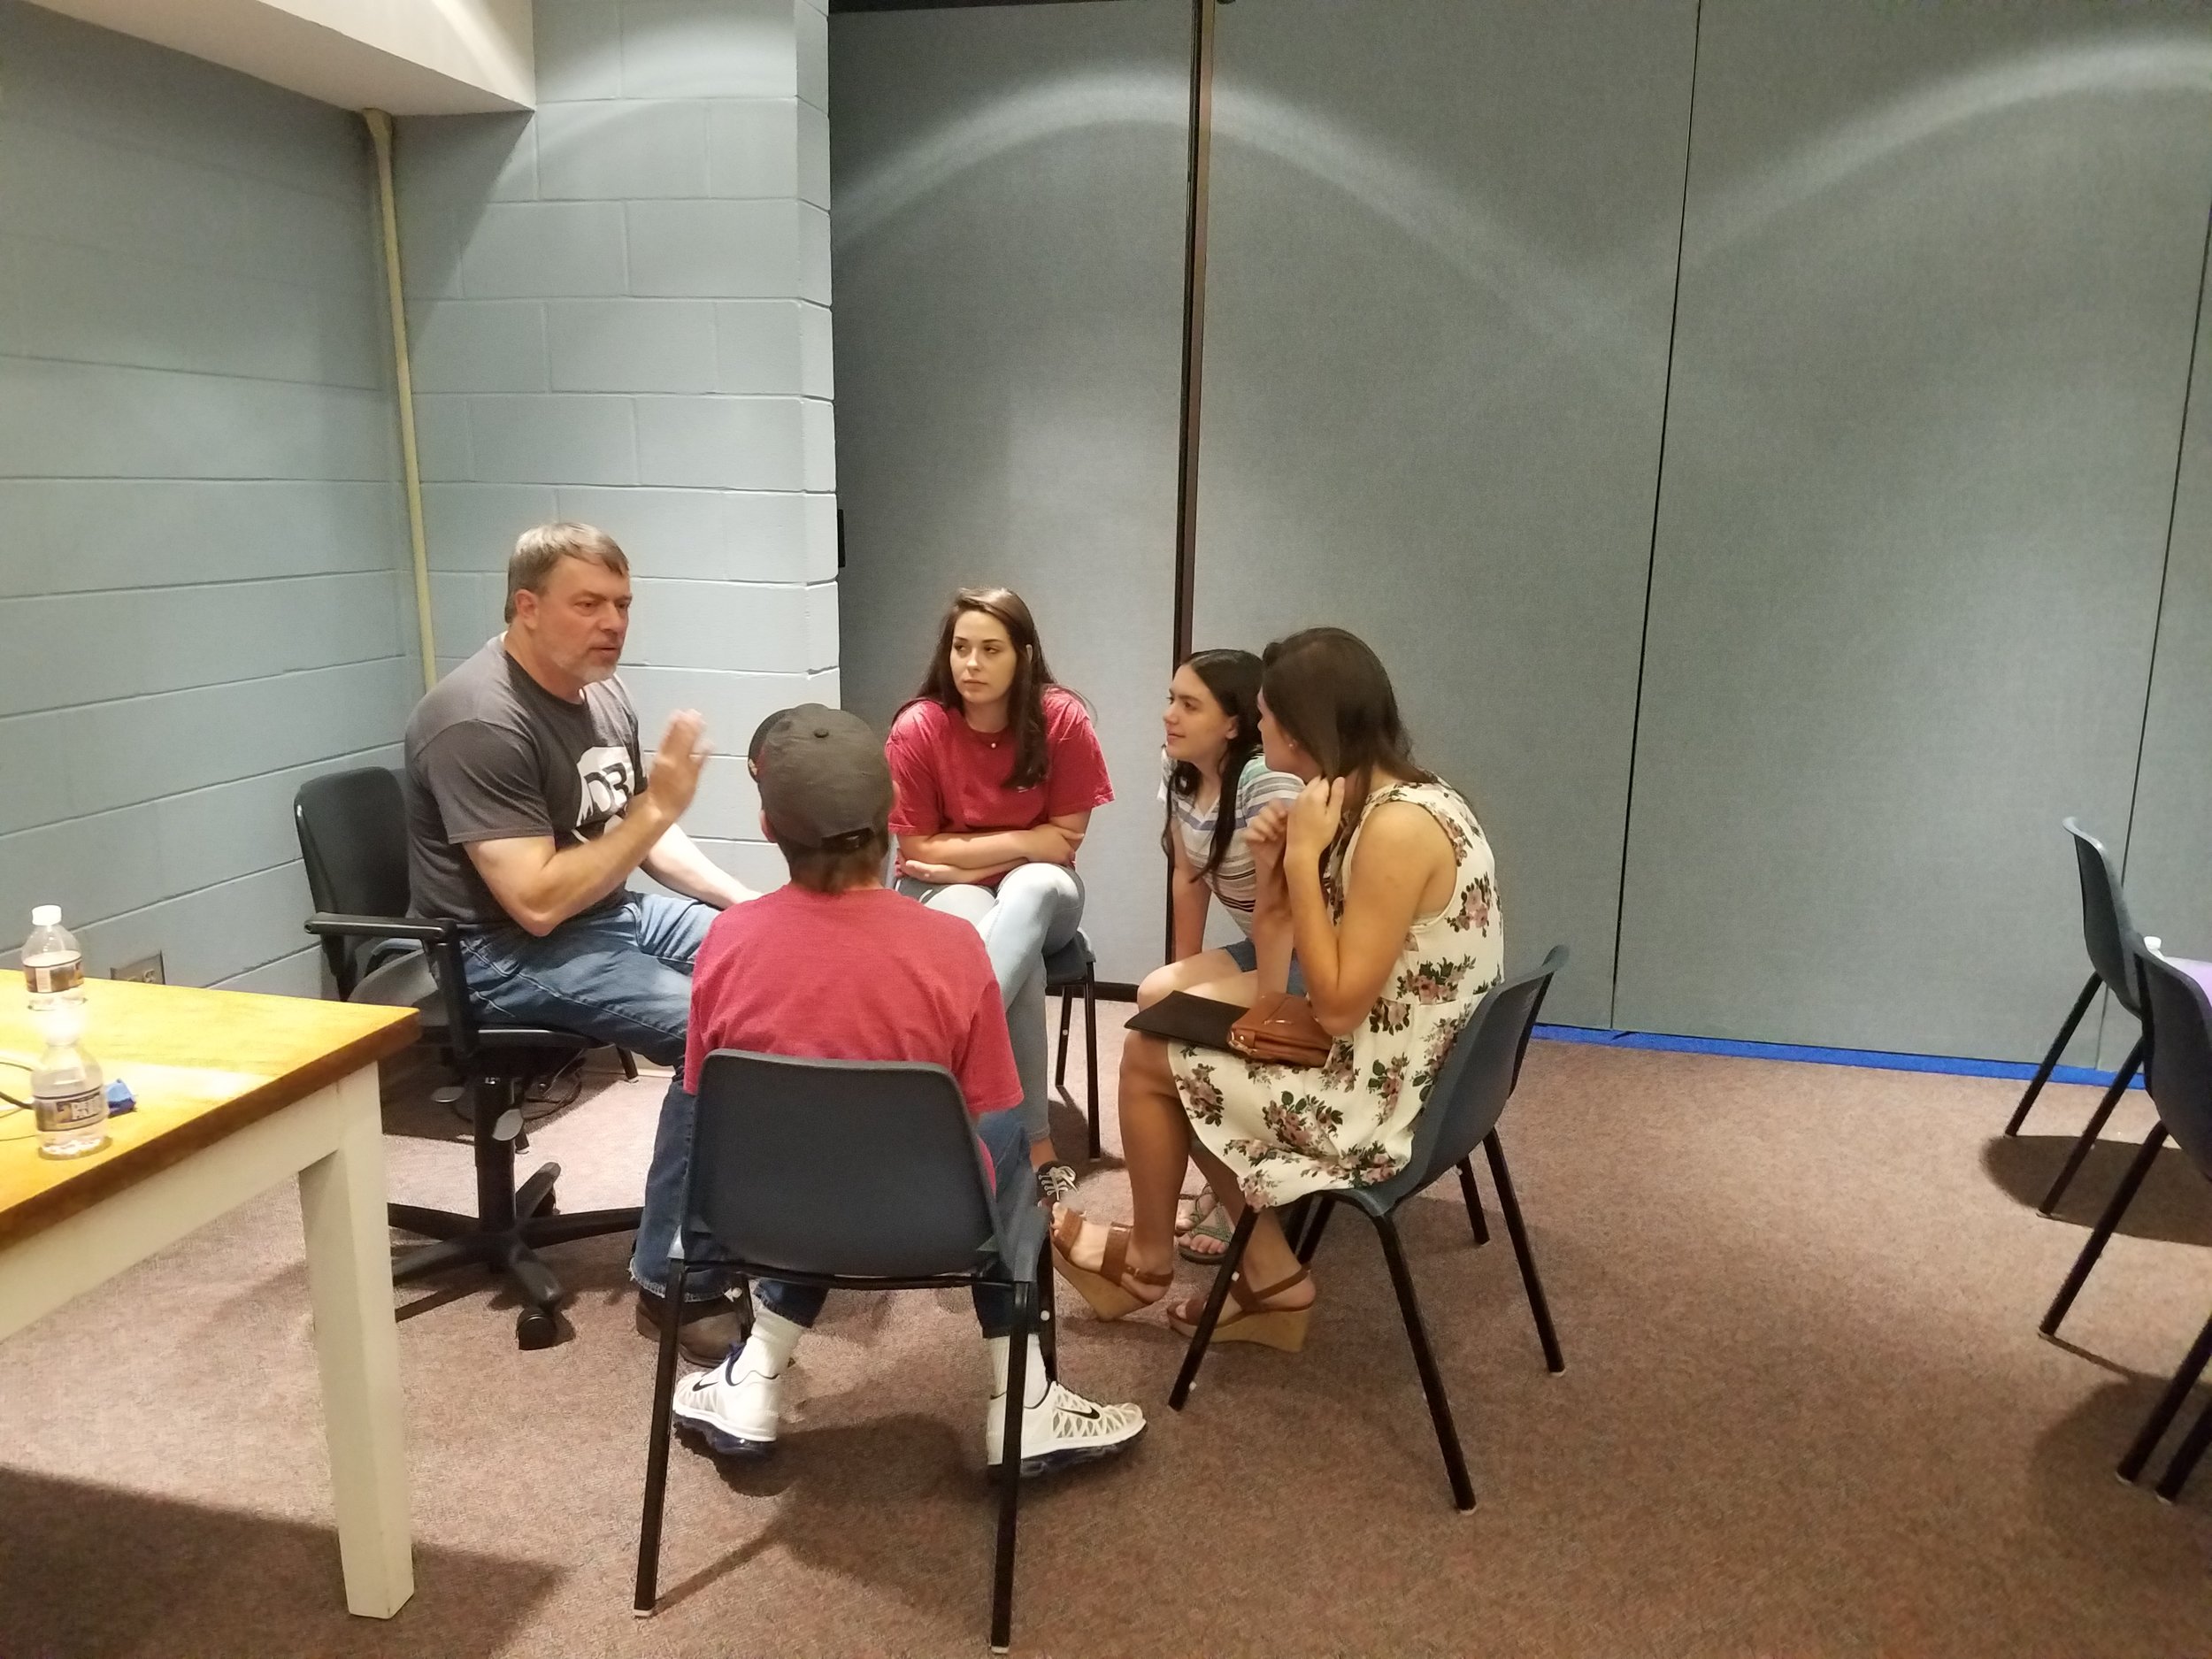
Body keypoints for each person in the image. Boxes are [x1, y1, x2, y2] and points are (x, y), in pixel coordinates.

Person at [666, 705, 1146, 1475]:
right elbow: (996, 1116)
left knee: (806, 1146)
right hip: (937, 1229)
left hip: (764, 1223)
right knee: (1013, 1152)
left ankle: (756, 1376)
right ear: (890, 818)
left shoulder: (724, 940)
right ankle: (1023, 1401)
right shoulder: (953, 948)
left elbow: (702, 1101)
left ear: (765, 823)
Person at [1050, 628, 1502, 1351]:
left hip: (1387, 1099)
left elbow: (1336, 1004)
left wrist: (1298, 858)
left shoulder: (1394, 829)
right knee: (1168, 1039)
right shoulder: (1407, 796)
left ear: (1298, 727)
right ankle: (1265, 1278)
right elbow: (1276, 968)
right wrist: (1275, 866)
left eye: (1263, 715)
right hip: (1418, 1065)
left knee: (1152, 1062)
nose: (1257, 729)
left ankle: (1153, 1265)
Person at [403, 521, 756, 1360]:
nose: (612, 623)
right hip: (497, 951)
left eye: (622, 604)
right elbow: (531, 901)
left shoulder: (603, 693)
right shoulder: (477, 719)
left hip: (602, 912)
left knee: (769, 967)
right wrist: (658, 810)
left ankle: (745, 1202)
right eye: (588, 603)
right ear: (527, 607)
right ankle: (675, 1273)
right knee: (713, 1027)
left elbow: (632, 835)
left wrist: (747, 906)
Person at [886, 588, 1113, 1208]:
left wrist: (969, 847)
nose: (972, 664)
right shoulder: (919, 726)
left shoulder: (1062, 718)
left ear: (1024, 655)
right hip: (945, 890)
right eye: (961, 648)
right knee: (1019, 956)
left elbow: (1065, 840)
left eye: (990, 649)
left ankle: (940, 1068)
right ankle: (1036, 1145)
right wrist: (1026, 840)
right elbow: (914, 851)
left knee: (1033, 889)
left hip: (1044, 892)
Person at [1141, 650, 1305, 1265]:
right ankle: (1229, 1172)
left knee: (1180, 1025)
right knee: (1158, 995)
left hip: (1308, 951)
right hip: (1258, 940)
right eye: (1171, 698)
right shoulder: (1178, 765)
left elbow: (1287, 908)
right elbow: (1188, 875)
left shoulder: (1268, 781)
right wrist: (1182, 984)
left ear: (1234, 722)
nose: (1169, 715)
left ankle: (1244, 1184)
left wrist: (1271, 998)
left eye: (1189, 704)